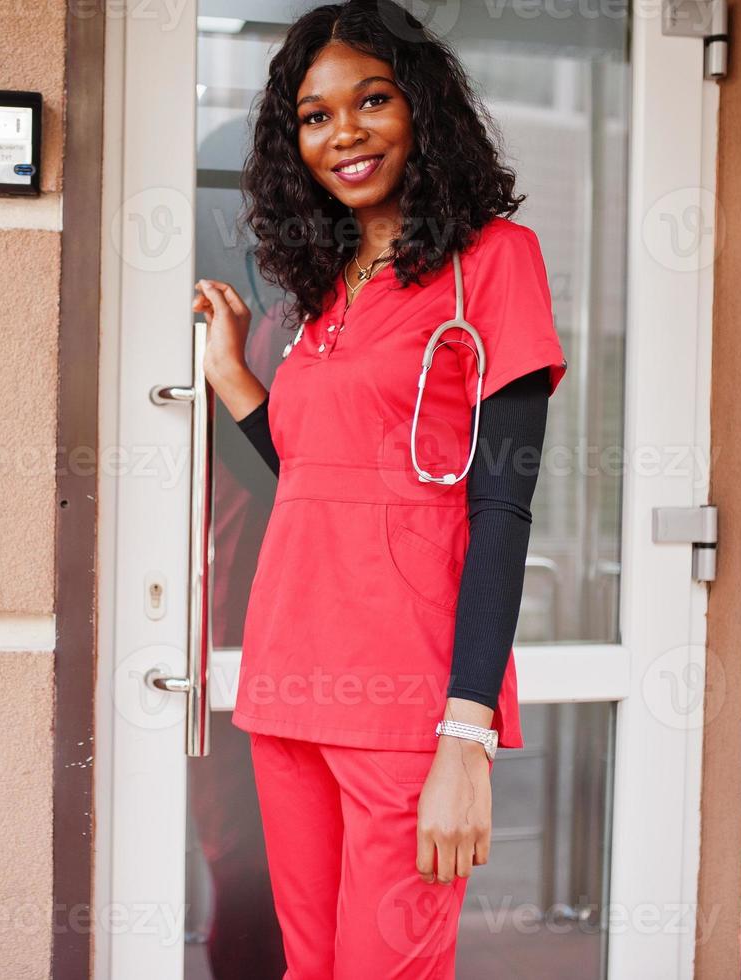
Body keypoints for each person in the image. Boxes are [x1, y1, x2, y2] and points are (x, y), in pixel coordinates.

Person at [191, 2, 568, 977]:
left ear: (423, 108)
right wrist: (236, 377)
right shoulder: (321, 289)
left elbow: (501, 506)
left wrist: (464, 736)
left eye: (371, 99)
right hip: (289, 688)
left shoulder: (492, 263)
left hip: (408, 705)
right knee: (307, 966)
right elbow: (314, 475)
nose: (344, 131)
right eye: (315, 116)